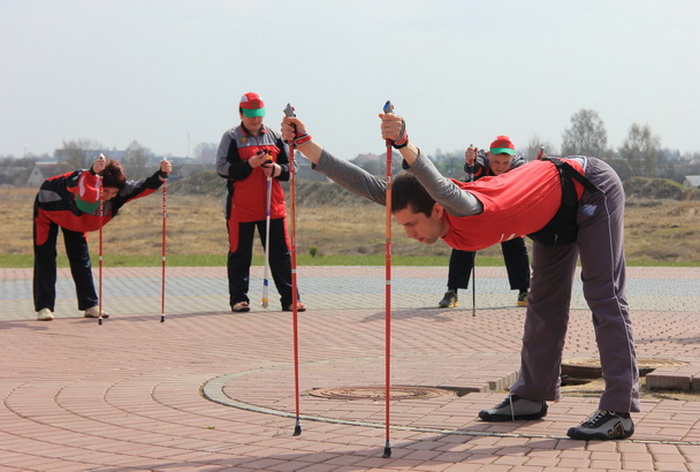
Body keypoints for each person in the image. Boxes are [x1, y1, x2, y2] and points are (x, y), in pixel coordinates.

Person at [280, 111, 638, 440]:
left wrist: (405, 144)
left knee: (603, 294)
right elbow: (366, 184)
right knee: (544, 303)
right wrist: (306, 144)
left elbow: (438, 184)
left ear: (437, 208)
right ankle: (531, 395)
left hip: (590, 187)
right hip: (550, 214)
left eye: (412, 224)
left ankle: (618, 410)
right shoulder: (422, 203)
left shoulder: (464, 207)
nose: (409, 234)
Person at [33, 155, 172, 321]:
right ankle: (44, 307)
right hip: (50, 208)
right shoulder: (80, 181)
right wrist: (92, 172)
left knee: (80, 258)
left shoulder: (119, 191)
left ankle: (90, 305)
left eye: (114, 193)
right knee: (45, 256)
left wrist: (161, 175)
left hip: (78, 220)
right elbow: (80, 184)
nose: (109, 196)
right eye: (105, 191)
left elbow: (143, 186)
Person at [216, 92, 305, 313]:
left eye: (259, 115)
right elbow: (222, 168)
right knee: (239, 254)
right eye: (251, 115)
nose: (255, 120)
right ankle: (239, 299)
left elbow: (291, 169)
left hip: (272, 207)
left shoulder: (274, 136)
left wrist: (276, 169)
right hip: (241, 208)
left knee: (281, 254)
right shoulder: (231, 137)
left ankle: (291, 299)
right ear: (241, 113)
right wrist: (249, 164)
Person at [438, 137, 530, 309]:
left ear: (512, 159)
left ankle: (524, 292)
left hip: (506, 212)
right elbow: (473, 166)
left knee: (517, 245)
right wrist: (468, 160)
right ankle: (452, 292)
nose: (500, 166)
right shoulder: (480, 159)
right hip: (480, 211)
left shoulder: (519, 166)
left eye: (505, 162)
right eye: (496, 161)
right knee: (463, 244)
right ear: (488, 156)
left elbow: (530, 176)